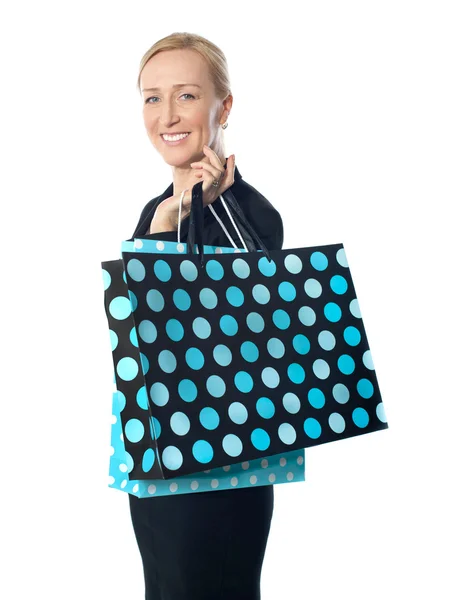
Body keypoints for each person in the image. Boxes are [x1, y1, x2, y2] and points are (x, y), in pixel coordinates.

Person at [127, 32, 287, 600]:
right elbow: (134, 332)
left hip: (219, 467)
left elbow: (266, 318)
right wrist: (165, 225)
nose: (166, 115)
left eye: (186, 96)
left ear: (224, 107)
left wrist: (206, 209)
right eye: (151, 98)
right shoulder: (159, 209)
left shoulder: (250, 213)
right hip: (157, 461)